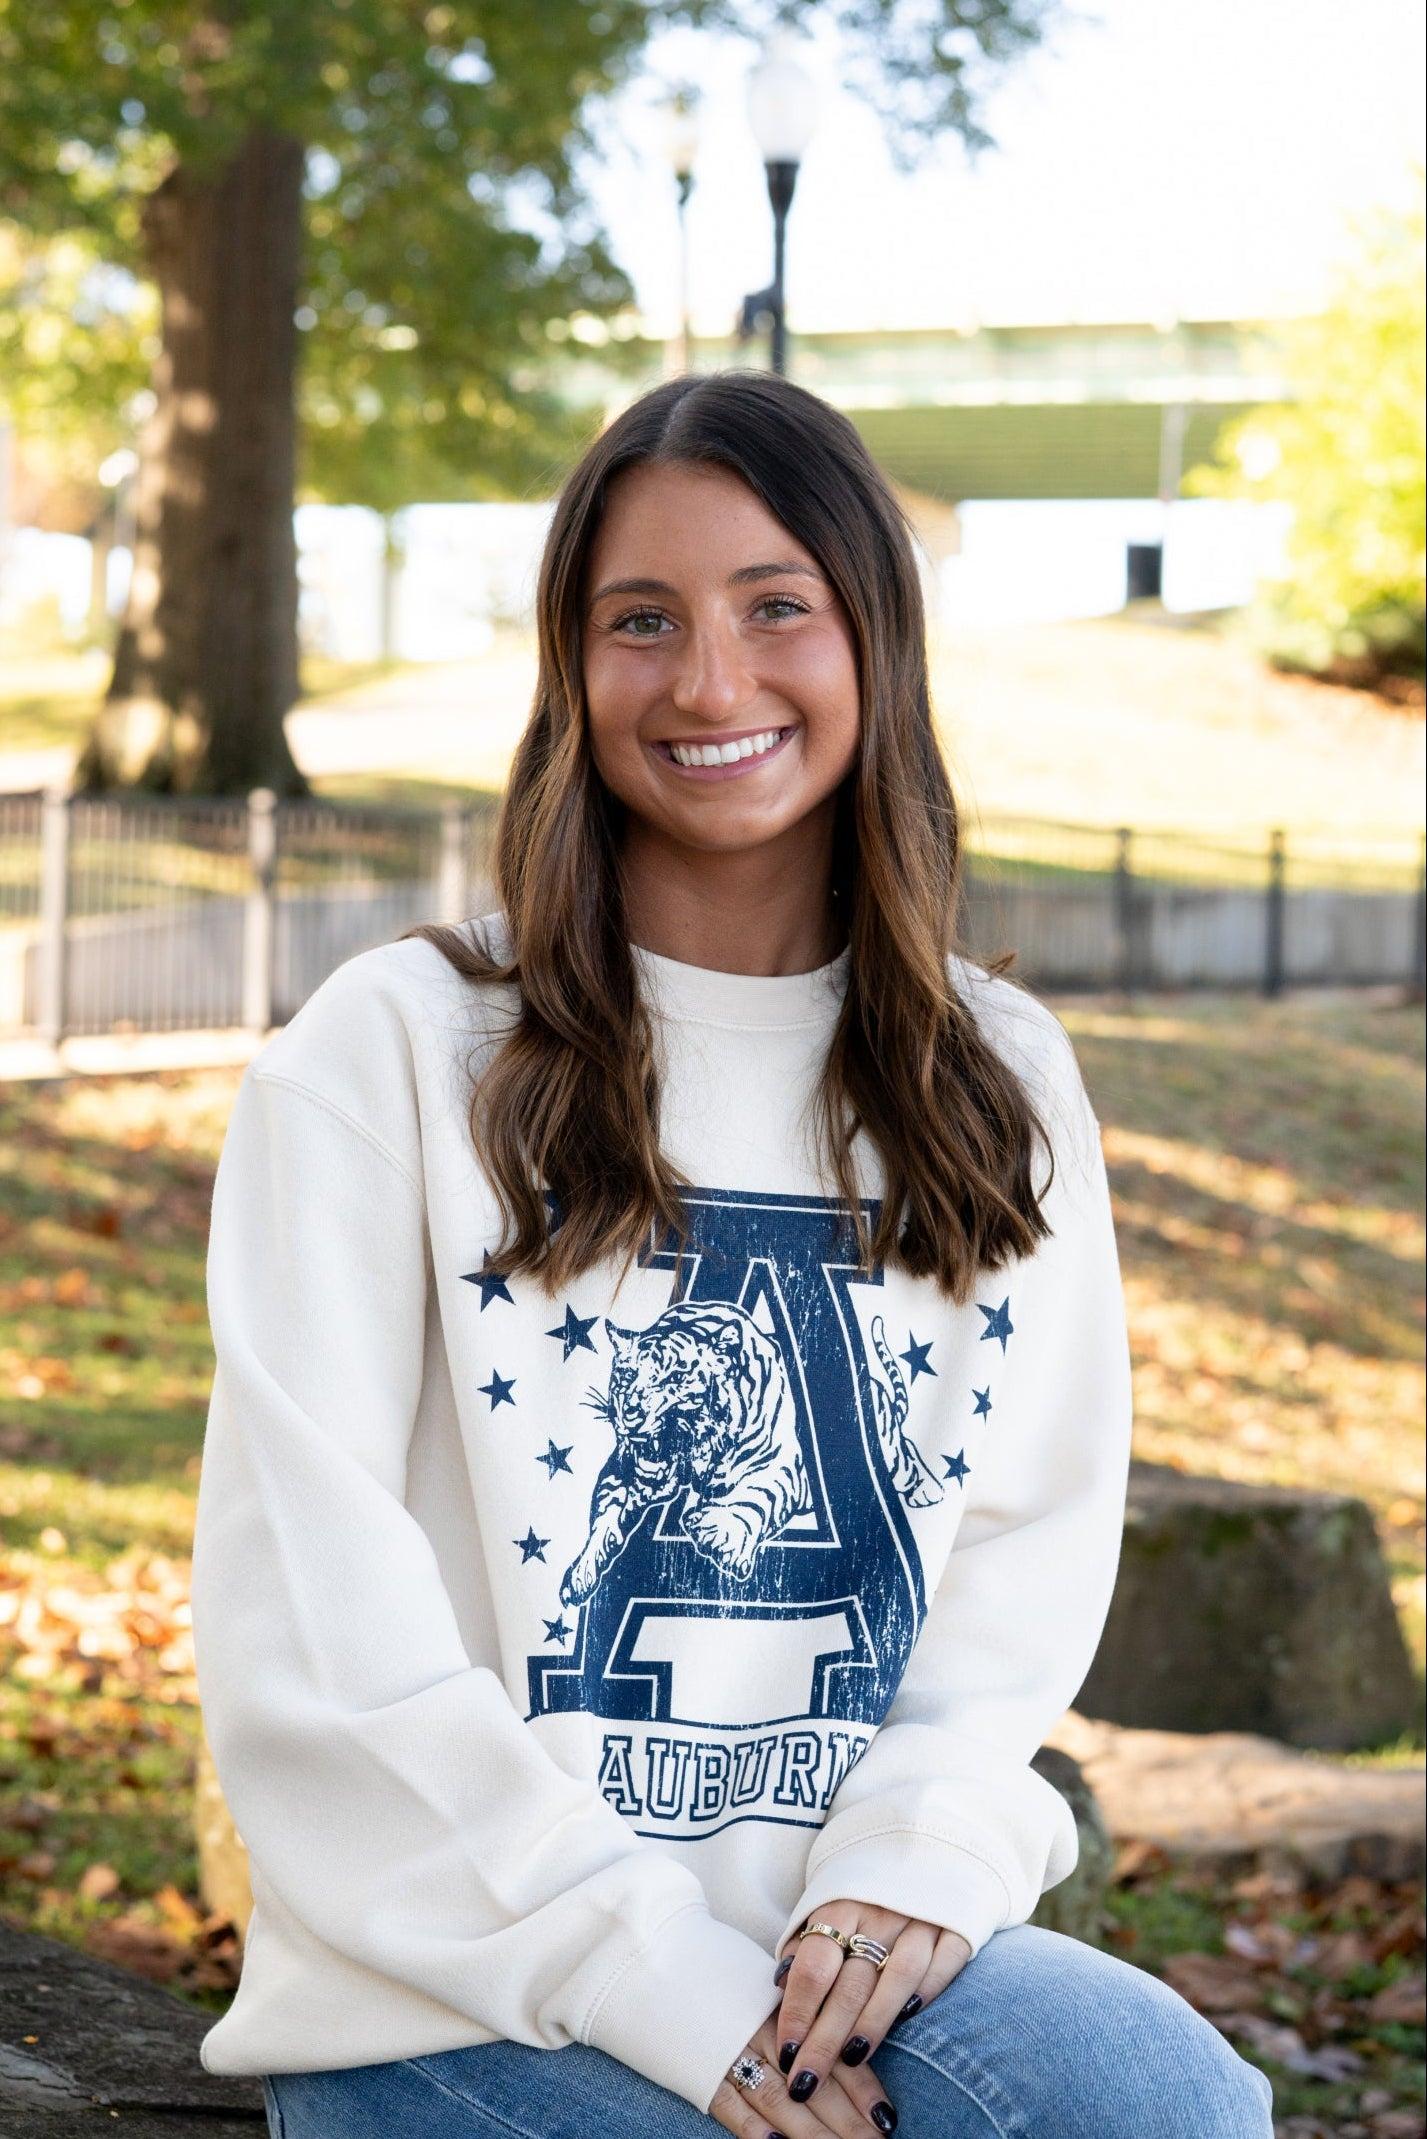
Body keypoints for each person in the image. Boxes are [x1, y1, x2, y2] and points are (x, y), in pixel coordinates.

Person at [190, 369, 1275, 2138]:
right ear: (571, 665)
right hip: (461, 1983)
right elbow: (315, 1628)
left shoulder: (994, 1076)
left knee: (1164, 2098)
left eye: (778, 606)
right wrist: (664, 1990)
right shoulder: (387, 1051)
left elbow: (1019, 1567)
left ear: (875, 640)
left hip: (832, 1946)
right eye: (643, 620)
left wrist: (911, 1863)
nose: (709, 681)